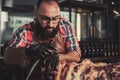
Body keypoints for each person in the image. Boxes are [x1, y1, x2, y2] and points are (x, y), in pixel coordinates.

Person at [4, 0, 81, 80]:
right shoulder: (24, 31)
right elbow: (8, 57)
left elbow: (76, 55)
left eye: (55, 19)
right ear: (36, 14)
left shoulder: (66, 26)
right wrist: (29, 50)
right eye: (45, 19)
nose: (51, 24)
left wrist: (58, 57)